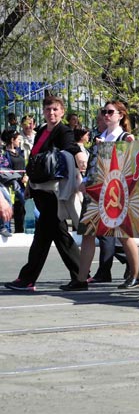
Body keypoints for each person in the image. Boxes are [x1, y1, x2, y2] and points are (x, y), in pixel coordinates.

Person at [5, 96, 87, 292]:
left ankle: (28, 279)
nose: (51, 113)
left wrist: (79, 154)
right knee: (58, 235)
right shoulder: (42, 130)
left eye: (55, 110)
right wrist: (29, 184)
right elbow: (35, 158)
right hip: (39, 188)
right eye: (48, 109)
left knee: (44, 237)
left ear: (62, 112)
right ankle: (81, 276)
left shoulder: (63, 131)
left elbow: (71, 146)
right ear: (43, 111)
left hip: (53, 192)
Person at [60, 102, 139, 291]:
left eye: (110, 112)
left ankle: (136, 274)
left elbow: (129, 166)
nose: (106, 115)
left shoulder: (126, 138)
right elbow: (93, 164)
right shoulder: (100, 137)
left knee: (123, 234)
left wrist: (108, 148)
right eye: (104, 112)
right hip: (96, 191)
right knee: (88, 233)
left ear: (120, 115)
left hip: (116, 192)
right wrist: (86, 180)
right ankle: (81, 278)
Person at [1, 129, 27, 233]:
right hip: (11, 185)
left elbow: (25, 166)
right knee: (11, 207)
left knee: (25, 207)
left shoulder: (20, 152)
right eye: (18, 139)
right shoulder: (4, 154)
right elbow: (5, 169)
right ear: (12, 140)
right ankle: (6, 229)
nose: (19, 141)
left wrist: (26, 176)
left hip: (22, 184)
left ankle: (20, 231)